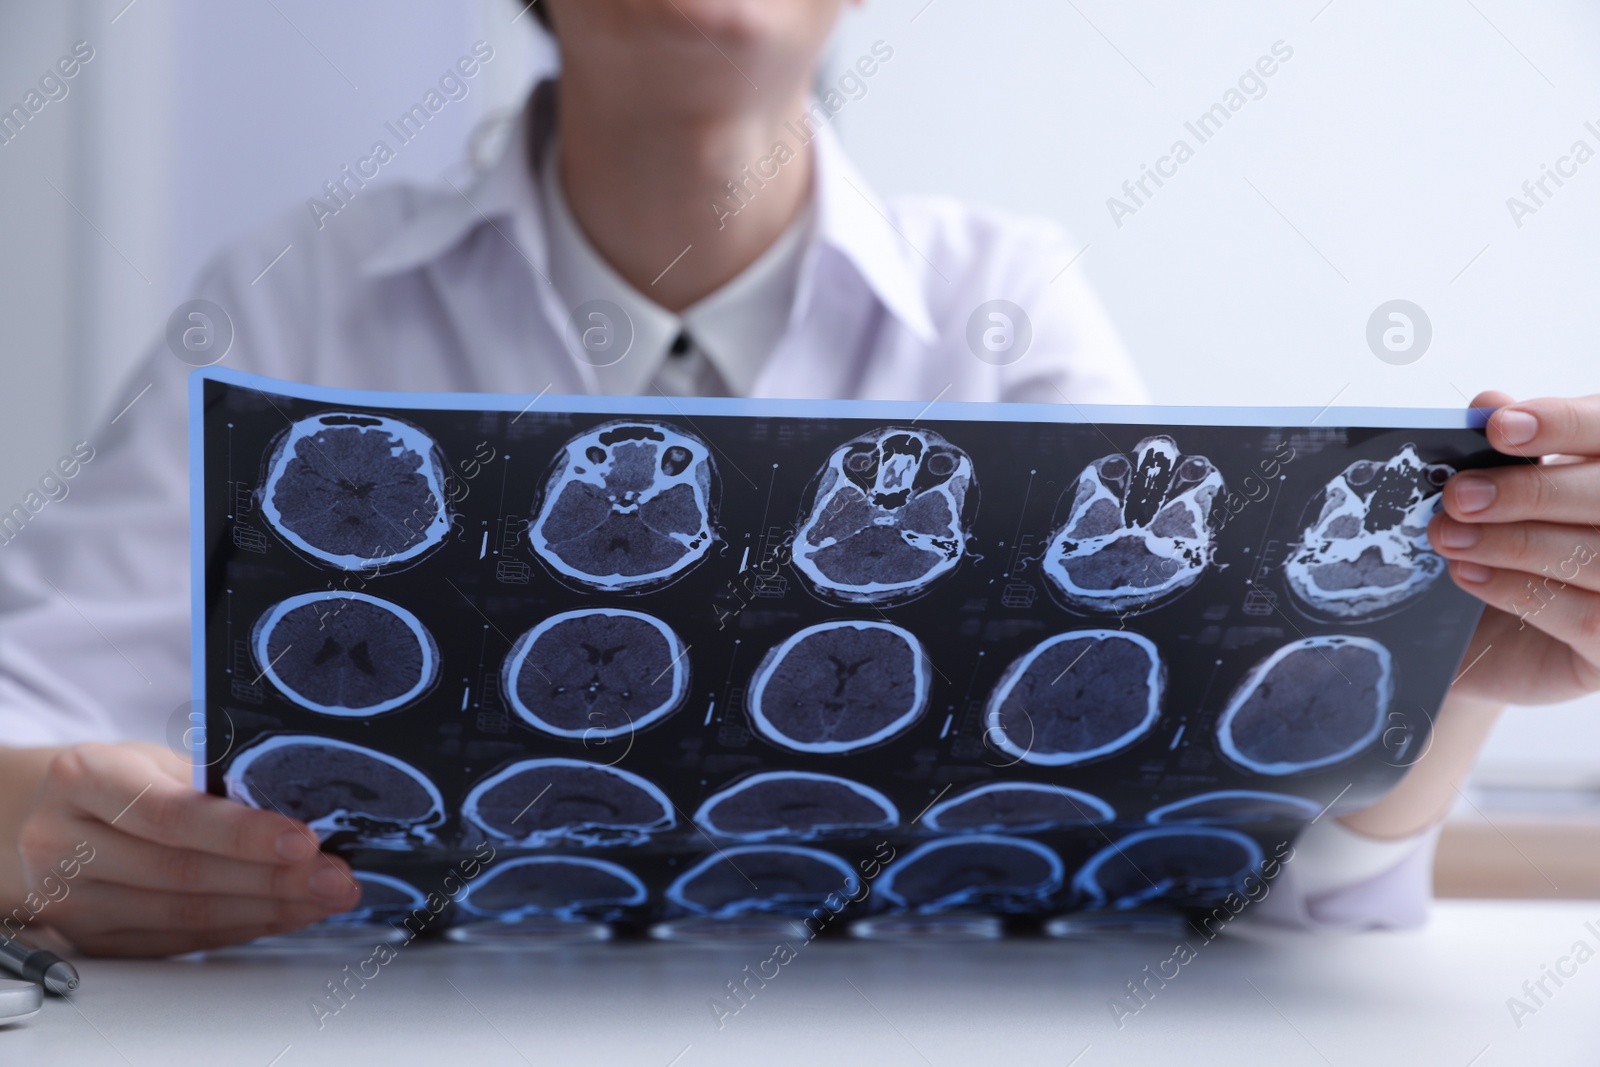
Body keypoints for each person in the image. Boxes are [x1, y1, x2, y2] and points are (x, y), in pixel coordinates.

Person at [0, 0, 1594, 957]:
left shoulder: (1010, 295)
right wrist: (30, 834)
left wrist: (1449, 667)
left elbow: (1209, 852)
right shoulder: (296, 286)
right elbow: (25, 706)